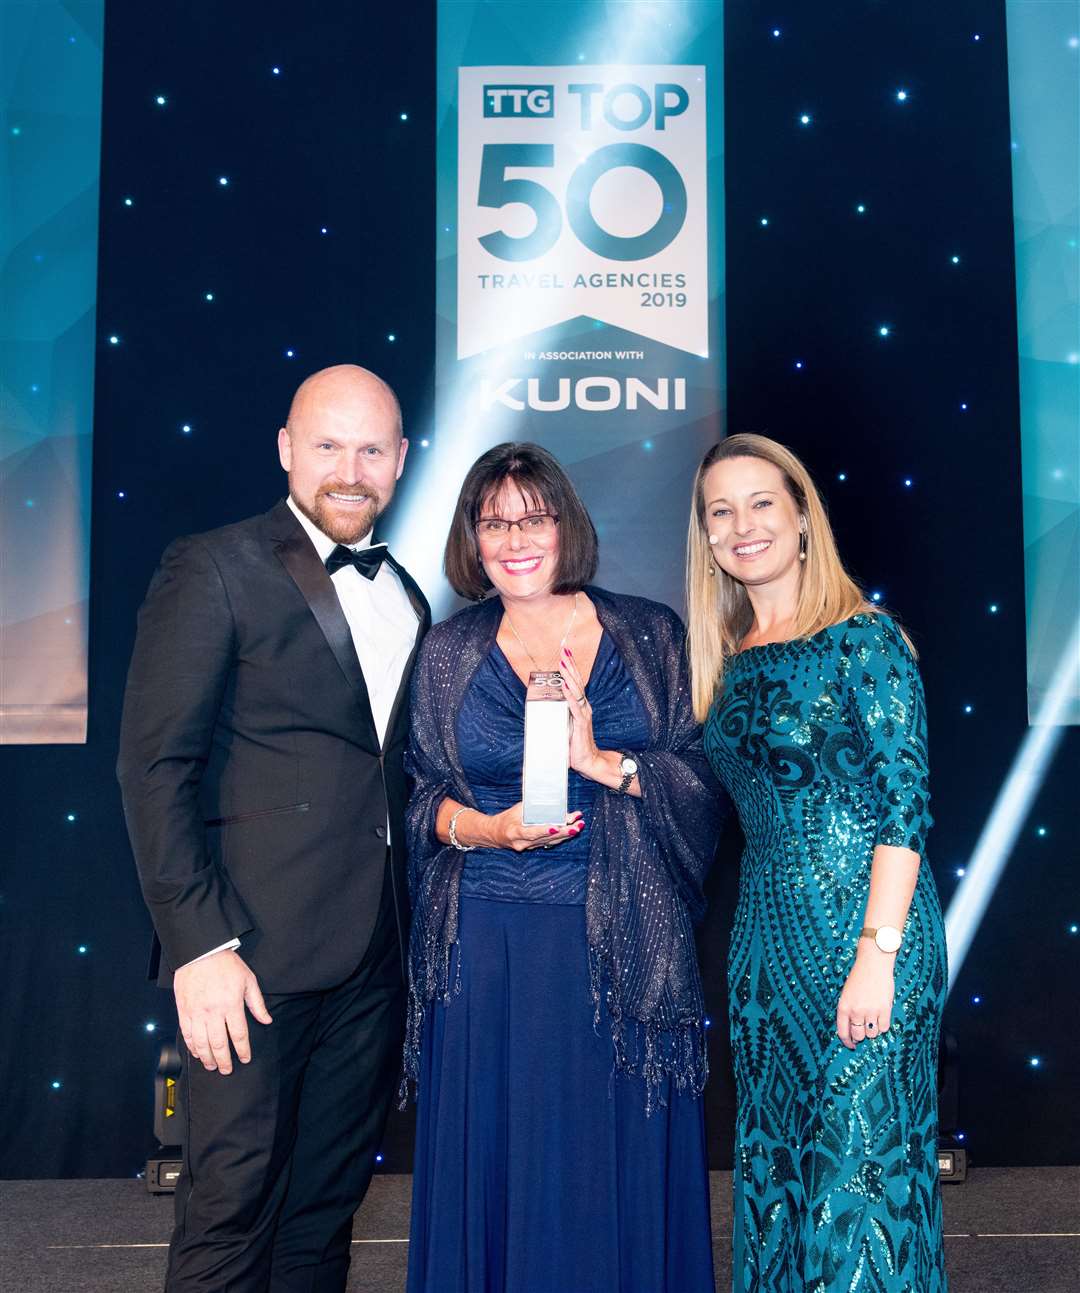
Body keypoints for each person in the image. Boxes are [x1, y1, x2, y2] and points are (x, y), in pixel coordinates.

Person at [117, 365, 429, 1292]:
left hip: (374, 956)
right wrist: (199, 945)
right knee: (230, 1208)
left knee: (323, 1211)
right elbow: (154, 768)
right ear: (287, 448)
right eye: (328, 445)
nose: (349, 469)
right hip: (245, 957)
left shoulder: (407, 594)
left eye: (371, 449)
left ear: (401, 460)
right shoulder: (212, 564)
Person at [402, 442, 723, 1293]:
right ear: (472, 536)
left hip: (621, 947)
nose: (515, 537)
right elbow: (416, 802)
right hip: (489, 952)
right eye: (494, 519)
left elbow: (702, 782)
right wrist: (489, 829)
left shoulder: (650, 632)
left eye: (533, 516)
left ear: (565, 524)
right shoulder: (445, 652)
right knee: (502, 1161)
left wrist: (601, 758)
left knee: (596, 1164)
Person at [686, 433, 948, 1291]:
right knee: (780, 1185)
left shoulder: (865, 640)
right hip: (767, 958)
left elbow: (904, 811)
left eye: (762, 502)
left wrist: (876, 960)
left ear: (803, 517)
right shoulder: (725, 663)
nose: (742, 524)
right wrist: (600, 761)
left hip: (869, 942)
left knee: (860, 1188)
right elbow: (722, 795)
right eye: (720, 510)